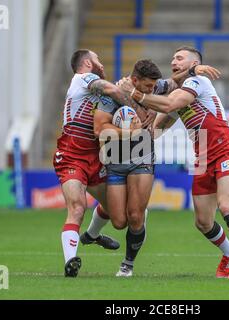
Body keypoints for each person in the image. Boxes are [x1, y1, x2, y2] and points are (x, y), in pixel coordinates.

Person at [122, 46, 229, 279]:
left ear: (193, 64)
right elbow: (156, 128)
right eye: (172, 57)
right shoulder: (180, 91)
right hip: (202, 159)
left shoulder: (198, 81)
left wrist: (136, 95)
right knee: (203, 222)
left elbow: (168, 104)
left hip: (225, 150)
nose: (173, 60)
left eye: (180, 58)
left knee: (226, 206)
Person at [53, 49, 154, 277]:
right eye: (98, 60)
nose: (101, 63)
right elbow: (112, 89)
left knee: (120, 216)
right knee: (77, 207)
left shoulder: (96, 94)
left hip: (96, 155)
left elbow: (121, 95)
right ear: (88, 63)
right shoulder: (83, 79)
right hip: (72, 154)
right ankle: (71, 262)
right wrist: (136, 107)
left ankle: (92, 235)